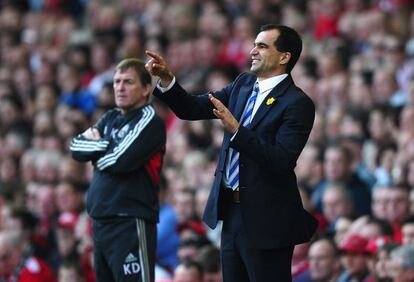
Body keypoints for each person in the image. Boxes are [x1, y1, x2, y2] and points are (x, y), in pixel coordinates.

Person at [146, 24, 317, 281]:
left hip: (268, 220)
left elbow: (281, 159)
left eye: (262, 46)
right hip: (231, 211)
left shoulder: (297, 103)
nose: (253, 51)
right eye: (254, 44)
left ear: (284, 57)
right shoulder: (243, 84)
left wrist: (238, 131)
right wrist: (168, 81)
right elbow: (192, 108)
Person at [70, 58, 166, 282]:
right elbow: (75, 147)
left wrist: (97, 150)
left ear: (145, 89)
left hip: (130, 222)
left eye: (128, 82)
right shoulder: (111, 117)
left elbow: (118, 160)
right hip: (101, 223)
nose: (120, 87)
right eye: (117, 81)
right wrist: (106, 148)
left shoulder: (150, 121)